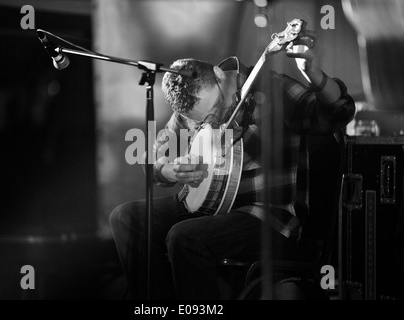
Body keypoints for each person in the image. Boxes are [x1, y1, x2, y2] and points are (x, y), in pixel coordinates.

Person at [109, 33, 355, 300]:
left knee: (184, 238)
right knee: (126, 218)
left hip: (264, 214)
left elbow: (336, 114)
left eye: (214, 111)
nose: (211, 122)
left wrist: (313, 73)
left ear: (218, 74)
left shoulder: (270, 89)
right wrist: (167, 170)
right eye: (201, 121)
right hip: (206, 208)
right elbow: (153, 158)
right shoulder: (189, 105)